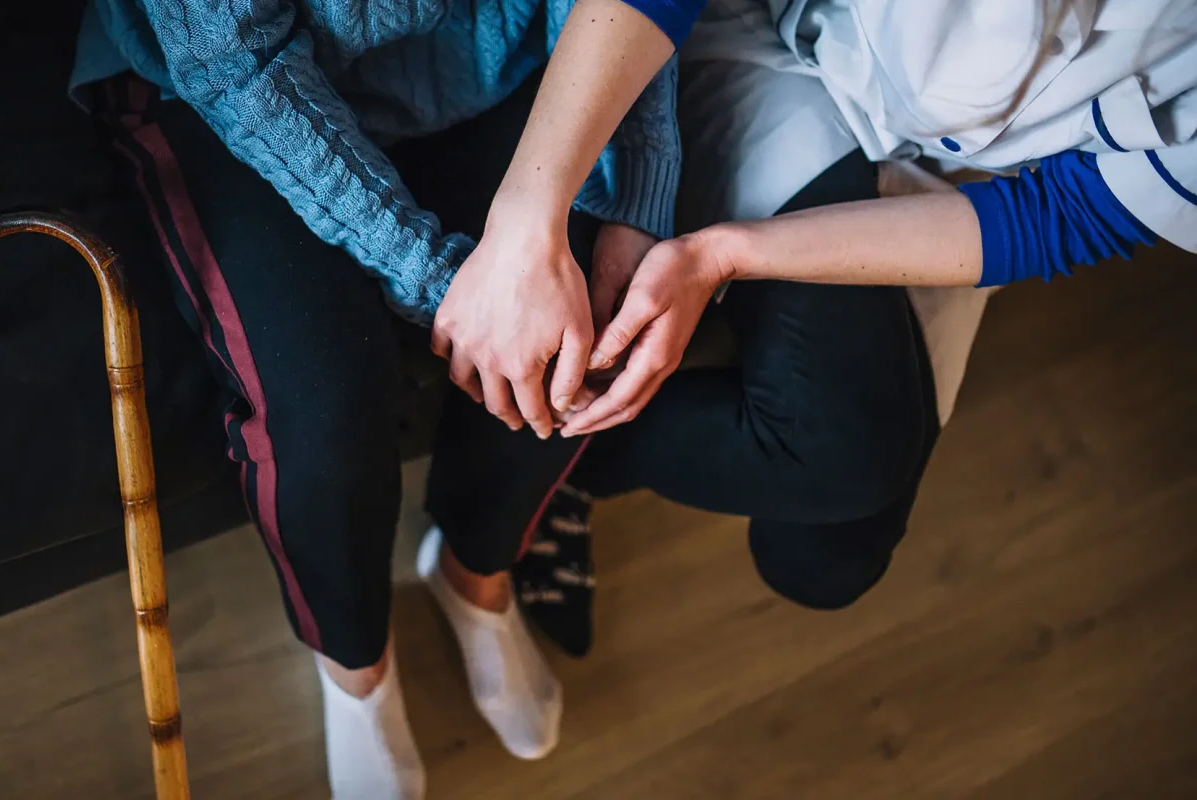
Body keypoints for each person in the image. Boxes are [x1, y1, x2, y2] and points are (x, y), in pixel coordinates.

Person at [68, 0, 709, 795]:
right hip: (223, 87)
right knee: (322, 411)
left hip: (497, 51)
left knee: (579, 330)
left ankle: (478, 572)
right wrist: (450, 291)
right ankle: (355, 665)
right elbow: (237, 67)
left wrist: (633, 196)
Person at [490, 0, 1197, 656]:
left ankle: (557, 462)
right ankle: (524, 470)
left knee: (828, 564)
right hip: (769, 44)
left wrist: (724, 254)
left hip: (955, 175)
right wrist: (527, 222)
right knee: (842, 456)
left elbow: (1061, 217)